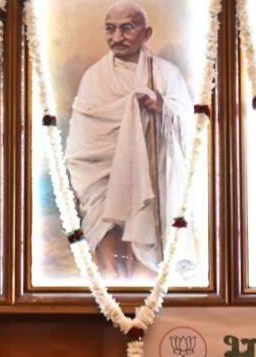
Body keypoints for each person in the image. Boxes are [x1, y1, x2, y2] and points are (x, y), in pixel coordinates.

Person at [66, 1, 197, 280]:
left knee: (146, 270)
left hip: (150, 178)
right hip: (102, 180)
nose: (117, 38)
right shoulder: (93, 77)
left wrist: (163, 107)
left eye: (126, 29)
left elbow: (191, 123)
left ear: (146, 33)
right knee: (108, 262)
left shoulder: (165, 73)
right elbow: (81, 142)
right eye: (110, 29)